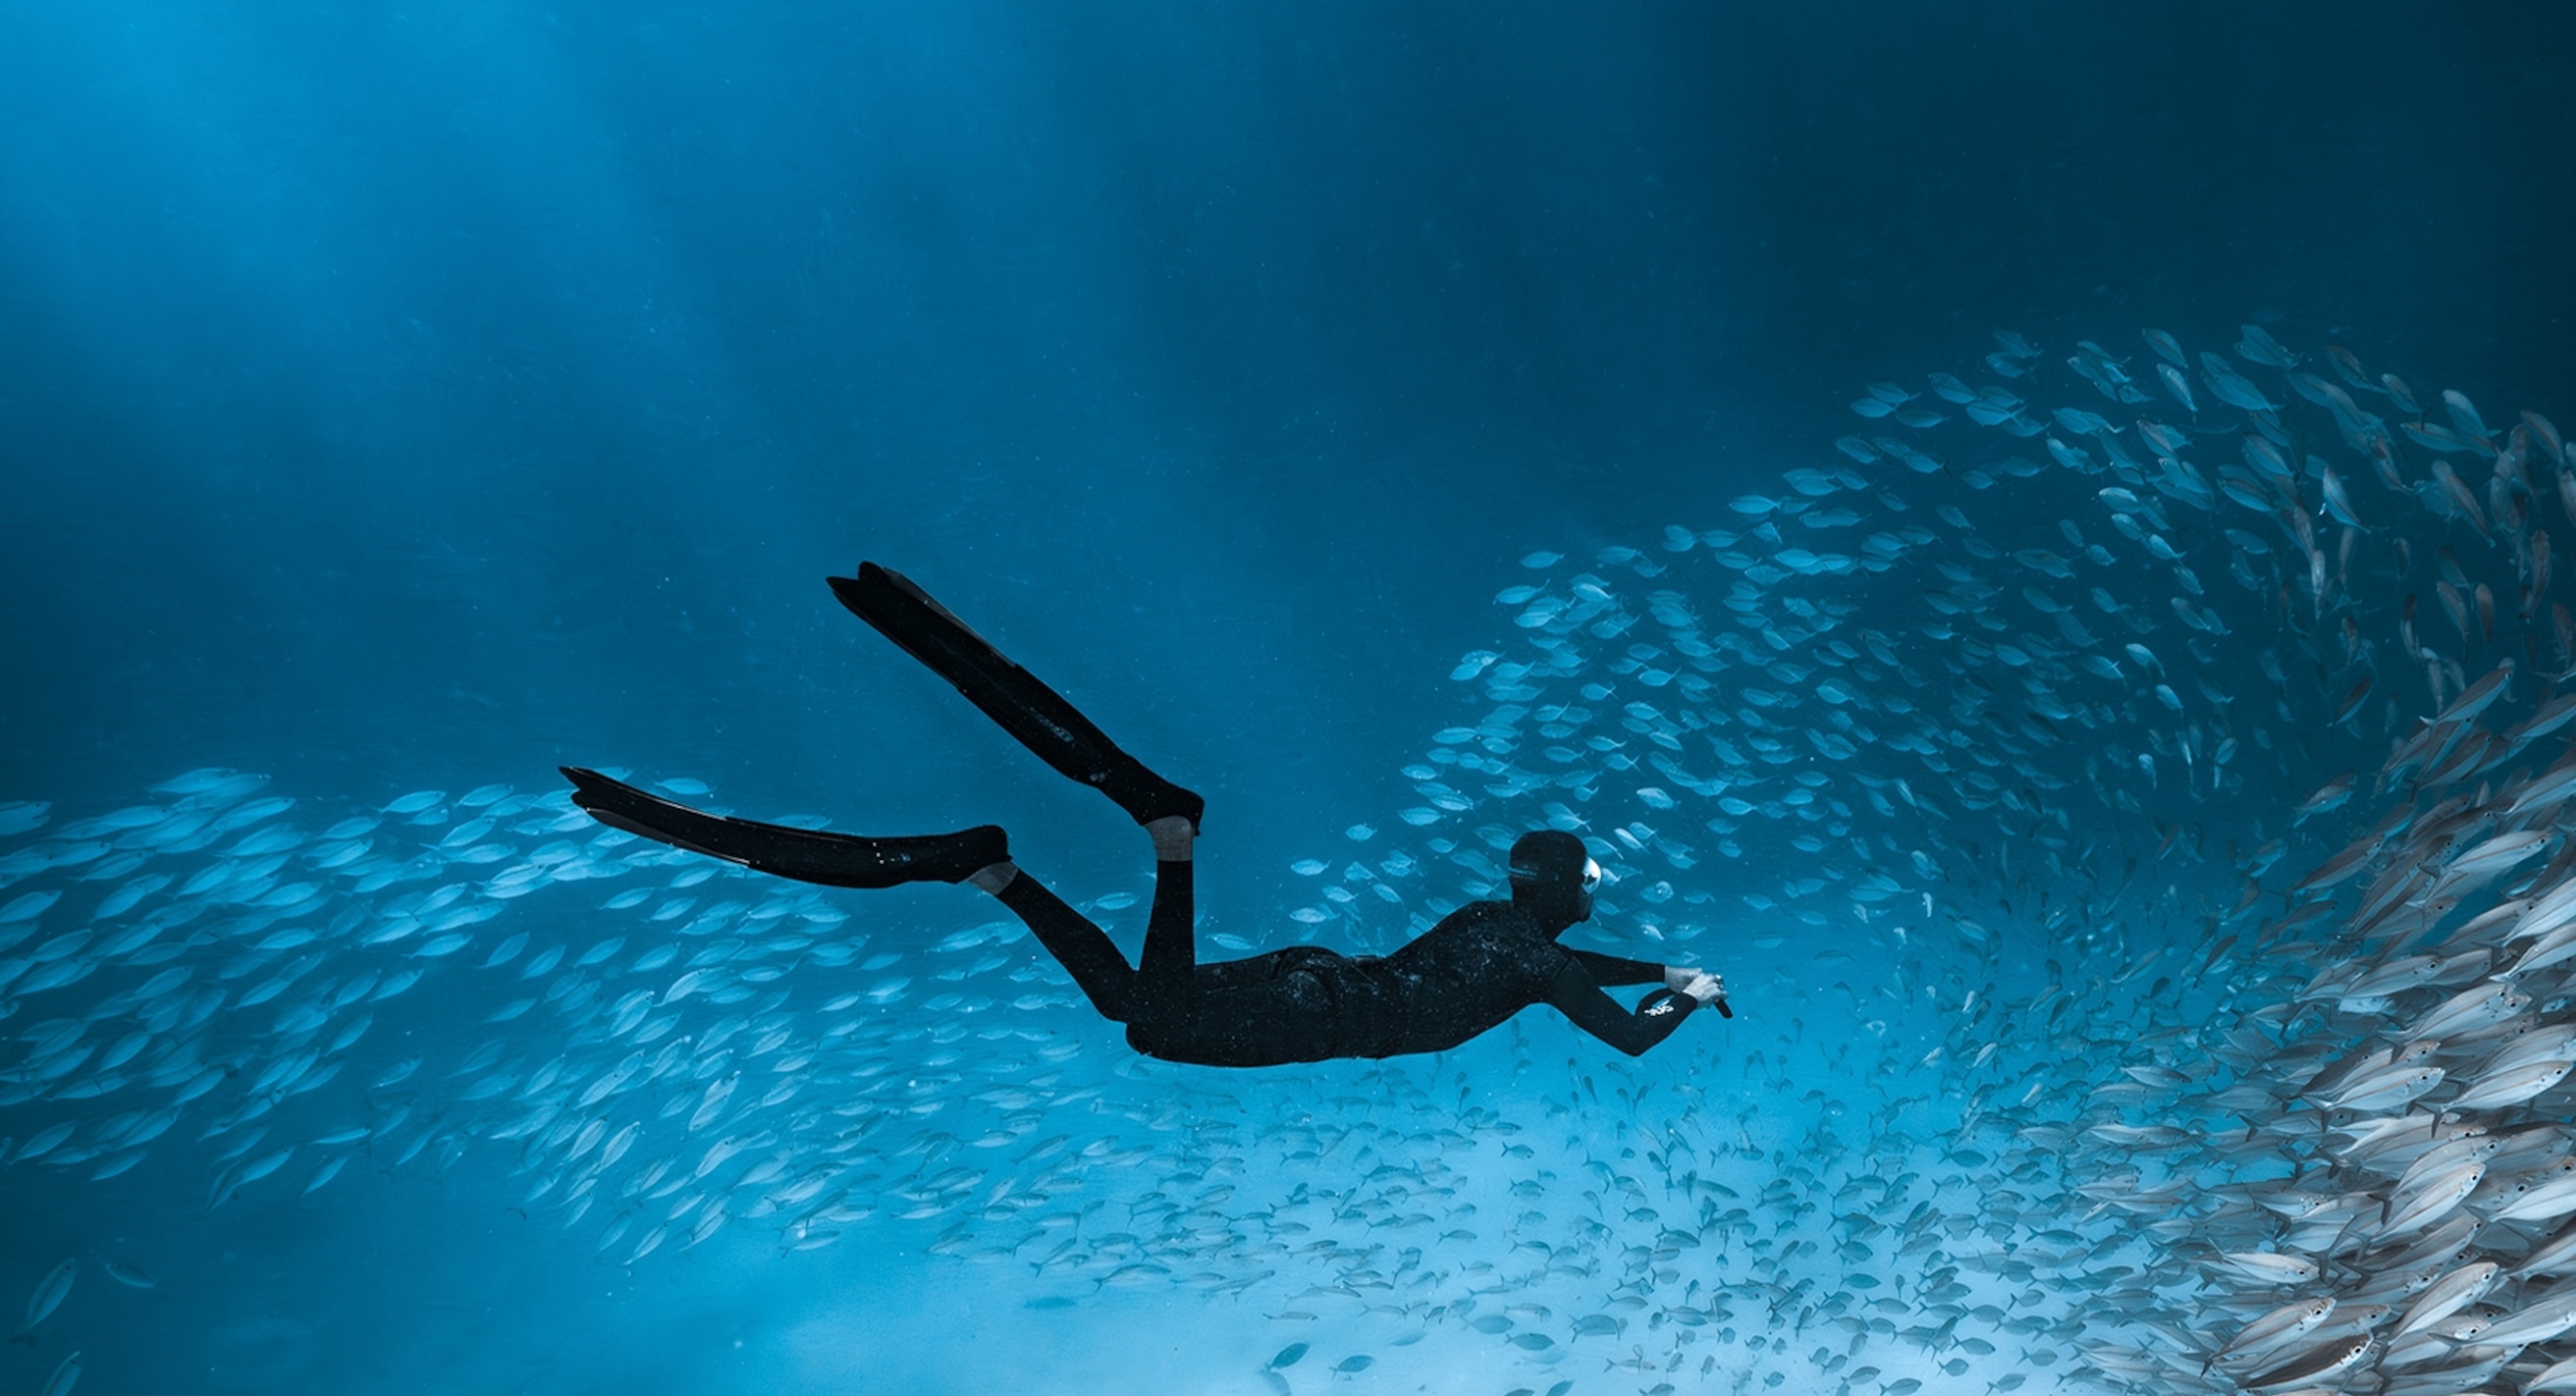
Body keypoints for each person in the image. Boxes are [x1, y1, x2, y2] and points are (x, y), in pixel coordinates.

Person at [562, 564, 1729, 1068]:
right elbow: (1623, 1035)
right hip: (1317, 1014)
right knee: (1152, 1028)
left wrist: (1657, 958)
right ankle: (1167, 832)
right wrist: (1681, 997)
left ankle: (989, 872)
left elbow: (1572, 955)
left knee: (1134, 1005)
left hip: (1315, 978)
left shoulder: (1501, 922)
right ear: (1559, 890)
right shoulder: (1537, 961)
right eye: (1589, 884)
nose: (1593, 898)